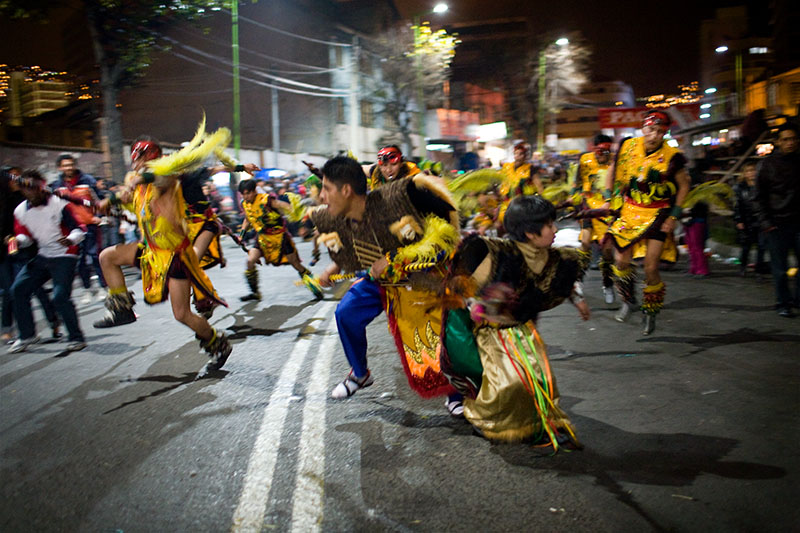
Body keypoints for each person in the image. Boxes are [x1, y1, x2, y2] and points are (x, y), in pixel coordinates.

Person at [311, 156, 463, 414]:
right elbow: (349, 249)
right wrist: (331, 269)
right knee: (346, 313)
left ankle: (456, 391)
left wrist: (395, 258)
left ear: (346, 190)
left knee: (429, 340)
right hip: (378, 280)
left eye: (326, 189)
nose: (322, 196)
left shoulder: (397, 199)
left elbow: (445, 224)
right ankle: (360, 374)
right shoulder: (336, 218)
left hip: (417, 279)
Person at [440, 195, 588, 446]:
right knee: (508, 383)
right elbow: (462, 287)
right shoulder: (495, 253)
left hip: (524, 330)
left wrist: (577, 298)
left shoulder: (548, 256)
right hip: (494, 334)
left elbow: (558, 277)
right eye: (549, 225)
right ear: (530, 233)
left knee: (540, 379)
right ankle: (487, 421)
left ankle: (540, 424)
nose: (555, 230)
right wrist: (475, 303)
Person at [97, 126, 233, 375]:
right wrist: (110, 203)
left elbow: (158, 179)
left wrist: (138, 181)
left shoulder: (165, 176)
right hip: (151, 251)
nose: (137, 164)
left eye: (141, 159)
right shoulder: (136, 185)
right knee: (108, 257)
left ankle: (219, 345)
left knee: (181, 314)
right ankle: (122, 309)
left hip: (174, 256)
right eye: (136, 160)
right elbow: (127, 203)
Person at [603, 110, 690, 335]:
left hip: (658, 214)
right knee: (620, 260)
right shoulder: (627, 147)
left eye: (660, 132)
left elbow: (684, 186)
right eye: (651, 130)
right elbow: (613, 171)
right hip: (630, 211)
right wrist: (608, 200)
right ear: (643, 128)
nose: (654, 135)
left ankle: (651, 310)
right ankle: (628, 300)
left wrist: (674, 217)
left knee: (651, 267)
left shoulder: (673, 157)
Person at [8, 170, 87, 354]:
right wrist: (17, 241)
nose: (31, 192)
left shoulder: (59, 204)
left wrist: (71, 239)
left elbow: (80, 229)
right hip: (44, 255)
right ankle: (26, 335)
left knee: (60, 296)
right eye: (26, 188)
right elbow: (26, 237)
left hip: (66, 255)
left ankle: (76, 338)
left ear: (42, 187)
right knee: (18, 290)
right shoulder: (20, 211)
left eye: (34, 187)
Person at [237, 179, 322, 302]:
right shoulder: (245, 203)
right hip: (262, 239)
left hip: (280, 237)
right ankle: (255, 292)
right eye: (243, 194)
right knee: (250, 261)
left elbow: (284, 206)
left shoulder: (266, 200)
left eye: (248, 193)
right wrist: (242, 234)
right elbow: (247, 218)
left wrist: (296, 215)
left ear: (254, 191)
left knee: (296, 264)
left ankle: (315, 287)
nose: (246, 196)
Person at [756, 122, 800, 318]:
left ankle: (797, 300)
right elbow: (758, 197)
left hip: (798, 222)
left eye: (793, 139)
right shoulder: (767, 165)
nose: (790, 143)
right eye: (785, 139)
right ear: (777, 142)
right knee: (780, 269)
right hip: (777, 224)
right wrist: (766, 223)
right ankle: (783, 303)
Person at [50, 154, 107, 304]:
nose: (68, 168)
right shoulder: (56, 186)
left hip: (90, 226)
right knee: (80, 260)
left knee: (95, 256)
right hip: (72, 229)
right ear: (60, 168)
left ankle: (103, 287)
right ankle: (87, 289)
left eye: (70, 164)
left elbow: (100, 201)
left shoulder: (87, 181)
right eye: (65, 165)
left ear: (74, 165)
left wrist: (101, 217)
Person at [572, 134, 616, 303]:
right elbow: (576, 183)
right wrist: (573, 199)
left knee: (606, 251)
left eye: (607, 151)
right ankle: (578, 280)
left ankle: (608, 284)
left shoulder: (615, 162)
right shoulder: (585, 160)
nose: (603, 154)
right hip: (588, 207)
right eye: (600, 150)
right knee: (585, 242)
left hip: (606, 210)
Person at [733, 161, 767, 276]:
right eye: (748, 171)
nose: (752, 173)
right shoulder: (739, 188)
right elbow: (737, 205)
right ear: (744, 173)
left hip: (761, 220)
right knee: (746, 246)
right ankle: (743, 267)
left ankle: (759, 270)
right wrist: (739, 220)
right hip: (747, 220)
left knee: (761, 246)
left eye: (753, 170)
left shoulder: (762, 186)